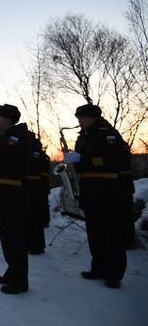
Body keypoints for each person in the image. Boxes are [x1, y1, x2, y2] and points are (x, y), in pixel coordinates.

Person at [67, 104, 128, 289]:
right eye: (78, 117)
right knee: (94, 232)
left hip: (108, 190)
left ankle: (114, 274)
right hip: (90, 190)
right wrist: (73, 163)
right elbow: (83, 163)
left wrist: (81, 159)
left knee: (111, 232)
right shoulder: (83, 137)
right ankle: (98, 267)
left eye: (83, 117)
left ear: (93, 117)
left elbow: (112, 160)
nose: (79, 121)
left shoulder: (107, 133)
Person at [0, 104, 31, 294]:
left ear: (7, 119)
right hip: (3, 194)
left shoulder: (17, 137)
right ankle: (12, 271)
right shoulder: (4, 138)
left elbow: (2, 155)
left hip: (11, 195)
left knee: (15, 240)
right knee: (7, 238)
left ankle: (20, 281)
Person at [25, 130, 46, 255]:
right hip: (28, 183)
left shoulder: (34, 146)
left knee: (33, 216)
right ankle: (31, 243)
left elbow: (34, 164)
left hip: (33, 184)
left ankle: (36, 246)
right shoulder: (31, 144)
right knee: (28, 216)